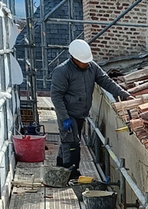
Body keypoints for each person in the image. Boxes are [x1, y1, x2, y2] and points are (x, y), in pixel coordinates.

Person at [49, 39, 131, 178]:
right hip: (68, 114)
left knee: (69, 140)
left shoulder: (92, 67)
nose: (86, 63)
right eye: (83, 61)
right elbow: (56, 96)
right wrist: (64, 117)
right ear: (74, 58)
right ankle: (71, 173)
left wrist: (124, 95)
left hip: (81, 112)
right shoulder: (62, 71)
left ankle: (61, 167)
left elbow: (106, 81)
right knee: (72, 143)